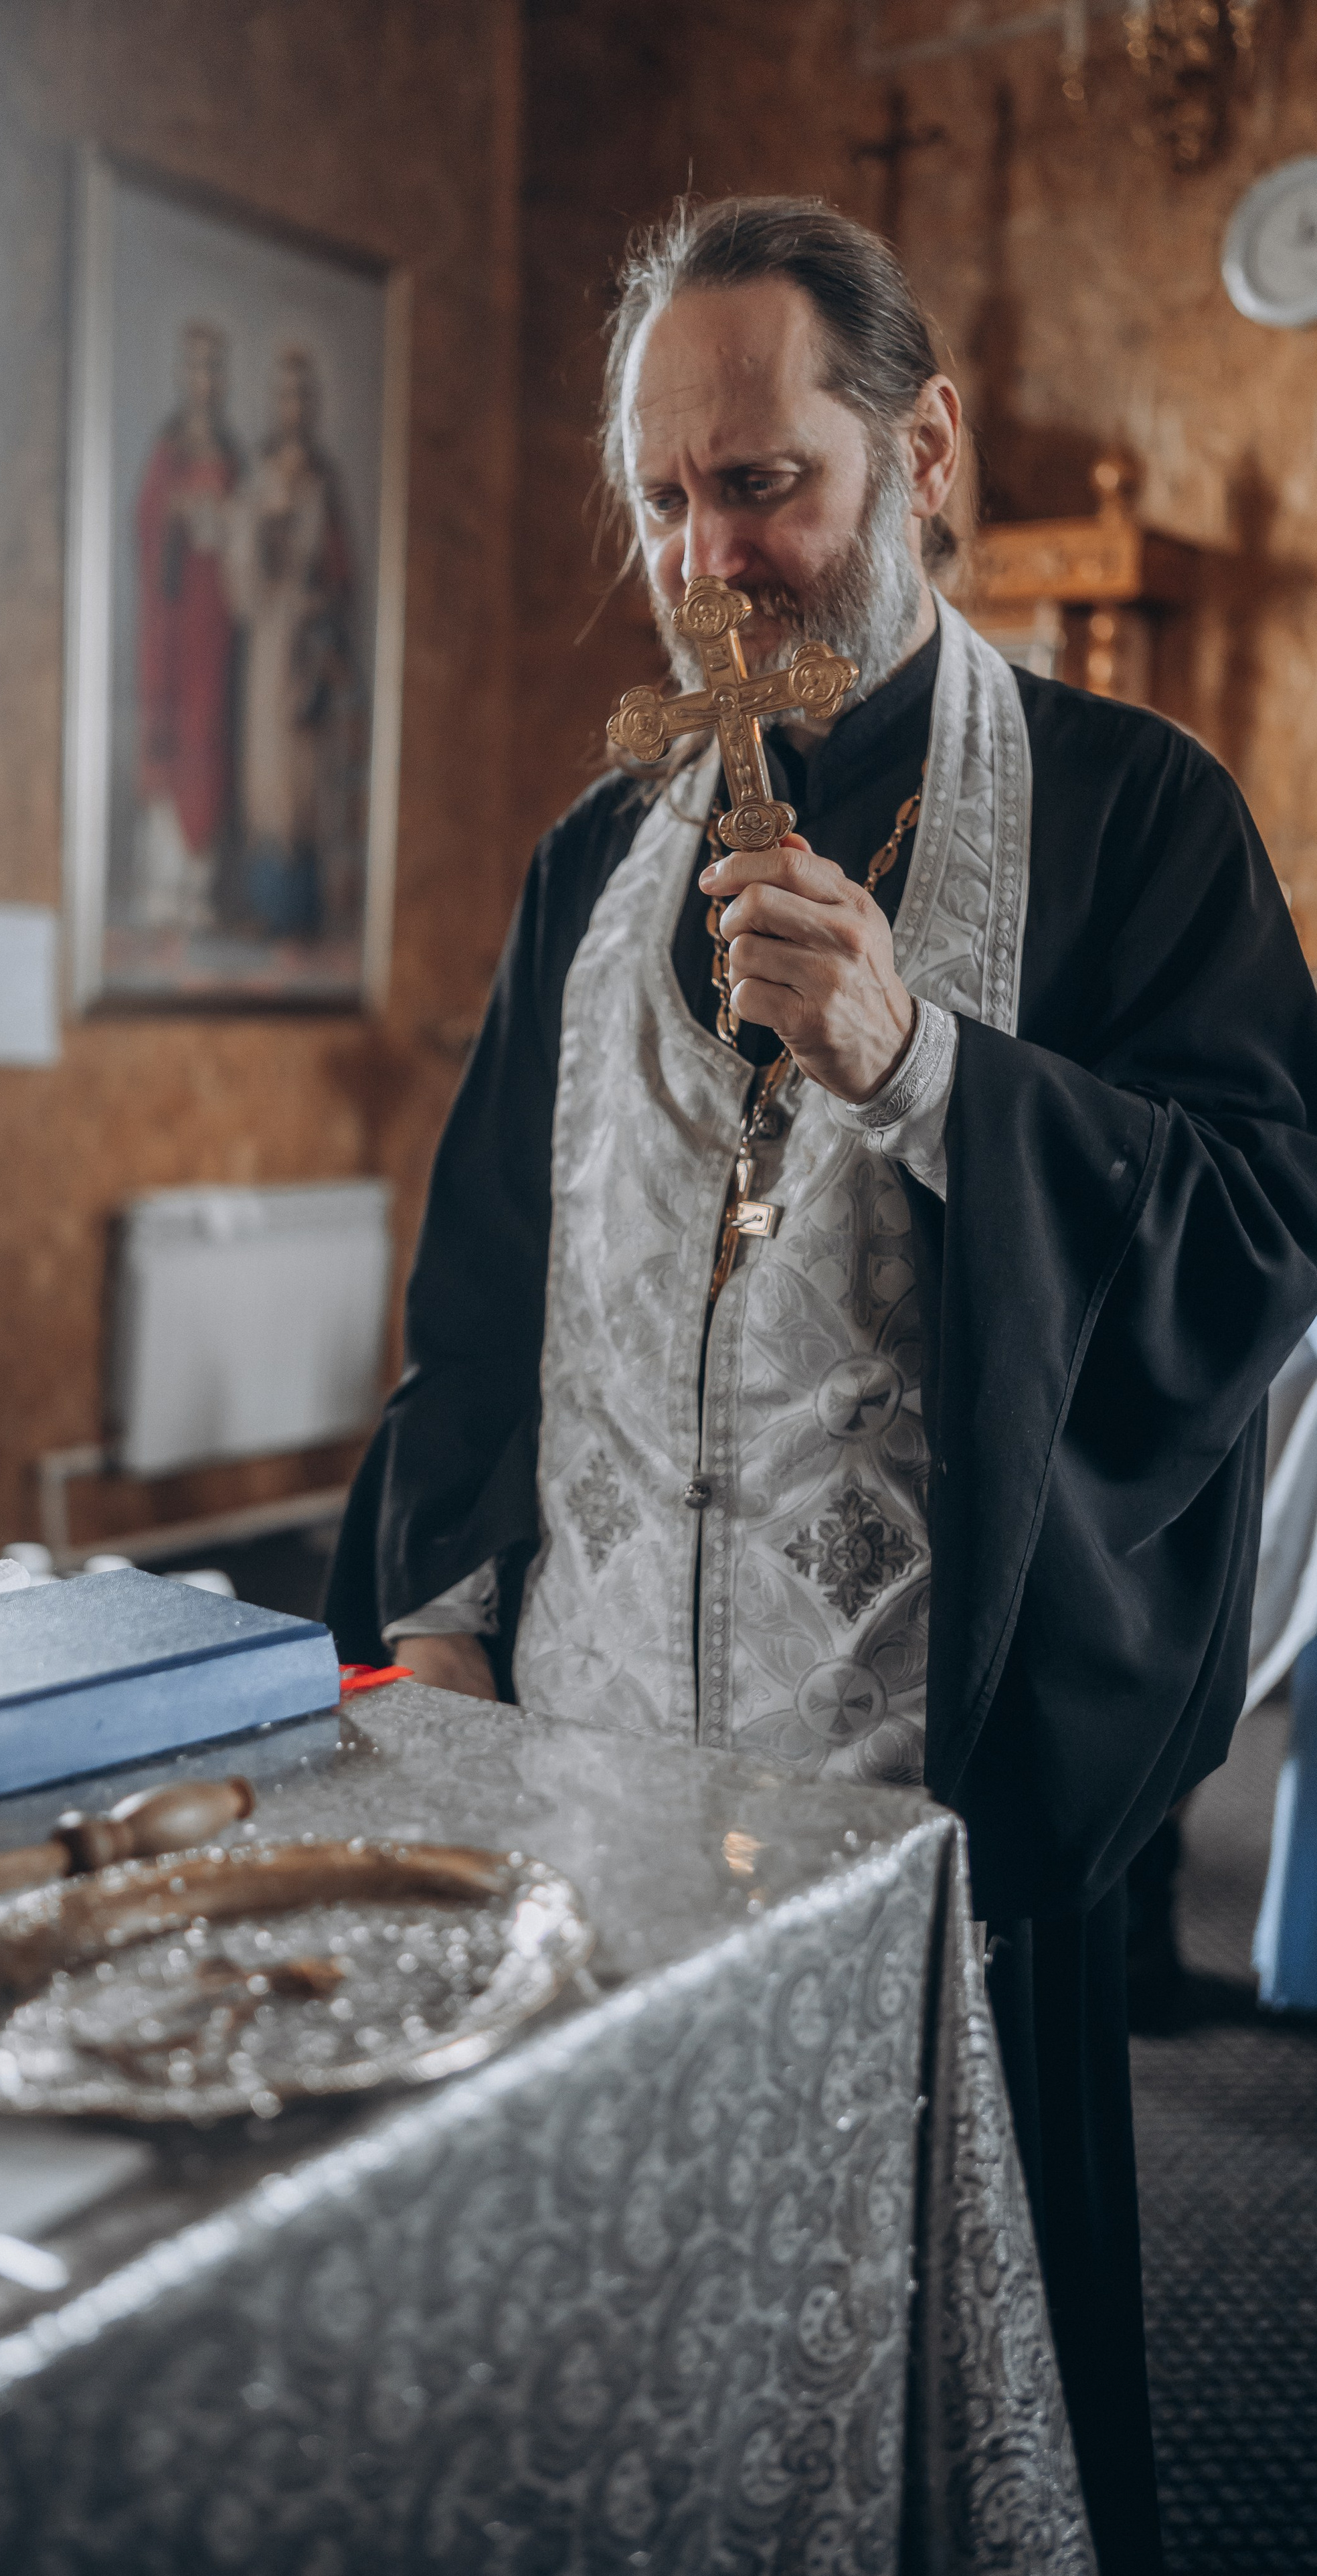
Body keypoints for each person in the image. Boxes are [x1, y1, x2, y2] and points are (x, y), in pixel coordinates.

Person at [327, 195, 1317, 2572]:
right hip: (588, 1760)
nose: (708, 556)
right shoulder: (590, 858)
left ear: (920, 445)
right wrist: (443, 1625)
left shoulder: (1130, 807)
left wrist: (919, 1058)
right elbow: (486, 1292)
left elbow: (1257, 1233)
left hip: (924, 1782)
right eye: (661, 499)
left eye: (760, 480)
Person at [233, 347, 360, 940]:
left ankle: (302, 911)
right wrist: (268, 525)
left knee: (308, 783)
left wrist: (324, 610)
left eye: (304, 396)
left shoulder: (324, 480)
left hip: (308, 645)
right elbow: (244, 573)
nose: (294, 407)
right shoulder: (258, 475)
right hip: (269, 645)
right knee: (268, 777)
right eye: (285, 395)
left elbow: (341, 570)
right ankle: (263, 903)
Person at [133, 321, 242, 933]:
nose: (204, 381)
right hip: (174, 622)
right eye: (195, 367)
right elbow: (146, 520)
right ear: (183, 375)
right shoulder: (169, 449)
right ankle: (164, 884)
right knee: (172, 742)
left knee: (211, 741)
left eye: (213, 369)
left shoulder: (229, 455)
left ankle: (200, 887)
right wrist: (176, 513)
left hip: (216, 627)